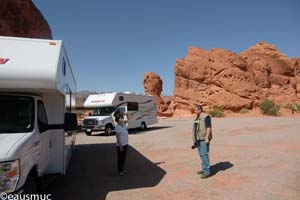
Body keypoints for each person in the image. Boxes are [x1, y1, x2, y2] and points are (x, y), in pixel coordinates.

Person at [192, 105, 212, 179]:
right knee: (201, 155)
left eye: (196, 110)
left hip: (203, 139)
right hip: (198, 139)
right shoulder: (198, 117)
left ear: (200, 110)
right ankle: (204, 169)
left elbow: (208, 127)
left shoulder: (206, 116)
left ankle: (207, 171)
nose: (194, 111)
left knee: (204, 154)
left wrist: (207, 137)